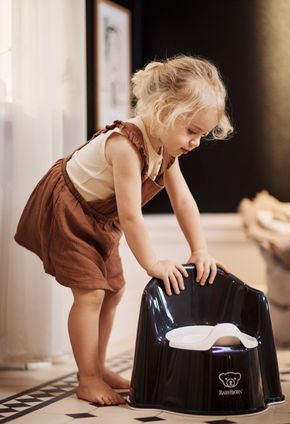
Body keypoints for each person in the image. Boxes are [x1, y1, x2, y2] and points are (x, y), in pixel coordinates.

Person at [14, 55, 233, 405]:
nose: (195, 142)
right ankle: (87, 379)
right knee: (90, 294)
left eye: (202, 136)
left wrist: (200, 249)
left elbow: (184, 202)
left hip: (101, 219)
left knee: (114, 291)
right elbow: (130, 215)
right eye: (191, 131)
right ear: (162, 112)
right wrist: (153, 263)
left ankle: (97, 367)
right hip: (69, 212)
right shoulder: (125, 145)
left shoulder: (165, 150)